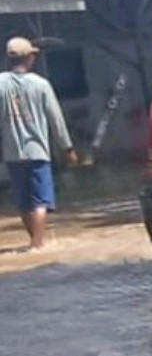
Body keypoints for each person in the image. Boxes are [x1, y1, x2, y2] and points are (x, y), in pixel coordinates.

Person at [0, 37, 77, 249]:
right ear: (30, 58)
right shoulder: (41, 85)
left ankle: (35, 241)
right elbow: (56, 119)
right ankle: (36, 244)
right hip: (38, 152)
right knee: (41, 201)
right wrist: (67, 148)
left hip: (12, 152)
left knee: (24, 202)